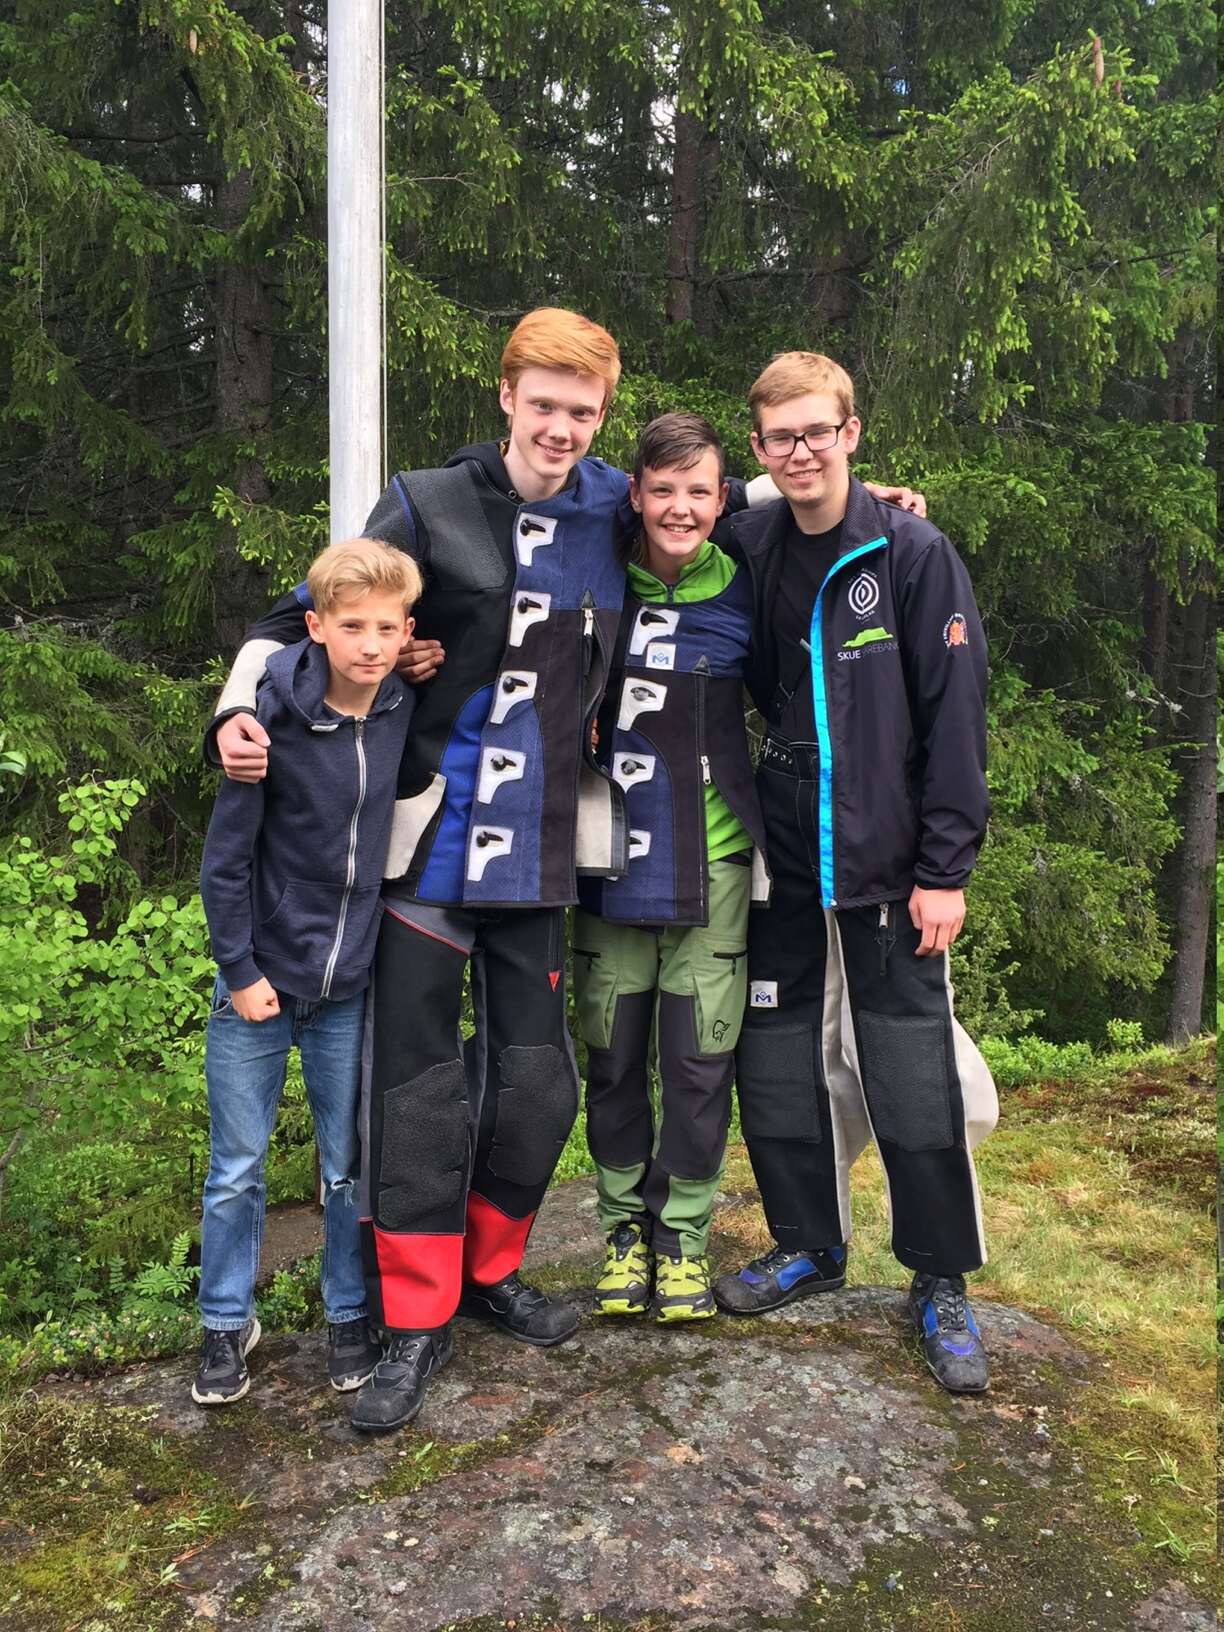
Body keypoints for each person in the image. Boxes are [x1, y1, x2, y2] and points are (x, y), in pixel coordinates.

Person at [208, 308, 925, 1430]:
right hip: (427, 850)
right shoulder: (427, 504)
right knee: (420, 1098)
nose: (560, 427)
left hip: (545, 853)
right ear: (506, 397)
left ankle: (489, 1275)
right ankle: (414, 1321)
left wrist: (863, 501)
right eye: (543, 404)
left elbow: (718, 496)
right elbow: (304, 612)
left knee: (538, 1088)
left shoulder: (610, 501)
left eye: (582, 412)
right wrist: (236, 709)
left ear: (601, 421)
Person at [712, 351, 999, 1394]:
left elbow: (956, 719)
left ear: (852, 432)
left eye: (818, 432)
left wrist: (945, 869)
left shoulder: (912, 553)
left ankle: (939, 1278)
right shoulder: (748, 541)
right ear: (759, 448)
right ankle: (810, 1245)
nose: (802, 452)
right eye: (781, 437)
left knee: (909, 1067)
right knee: (779, 1057)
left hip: (887, 847)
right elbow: (669, 504)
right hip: (782, 844)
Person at [193, 537, 421, 1406]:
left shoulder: (401, 706)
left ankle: (348, 1313)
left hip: (346, 986)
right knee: (238, 1167)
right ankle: (225, 1323)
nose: (371, 644)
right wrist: (239, 968)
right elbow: (224, 865)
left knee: (345, 1165)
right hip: (258, 984)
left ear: (407, 633)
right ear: (316, 626)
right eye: (352, 626)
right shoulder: (266, 723)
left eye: (388, 628)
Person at [573, 413, 768, 1322]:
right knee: (612, 1058)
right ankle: (622, 1232)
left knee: (698, 1061)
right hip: (606, 860)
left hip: (714, 862)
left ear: (722, 498)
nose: (680, 508)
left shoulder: (749, 585)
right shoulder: (599, 576)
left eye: (699, 491)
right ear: (636, 495)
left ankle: (683, 1237)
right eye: (662, 490)